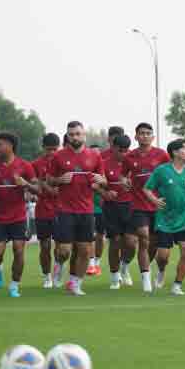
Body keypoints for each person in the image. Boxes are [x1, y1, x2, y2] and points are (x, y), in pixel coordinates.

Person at [49, 121, 106, 296]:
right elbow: (49, 180)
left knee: (85, 250)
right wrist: (60, 180)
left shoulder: (94, 156)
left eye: (78, 134)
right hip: (65, 209)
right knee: (64, 250)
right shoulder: (58, 156)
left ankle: (75, 284)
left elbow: (103, 180)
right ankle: (59, 264)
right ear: (67, 136)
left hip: (86, 210)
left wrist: (101, 180)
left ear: (84, 135)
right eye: (71, 134)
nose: (75, 137)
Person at [144, 139, 185, 296]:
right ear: (175, 152)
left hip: (184, 219)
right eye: (184, 149)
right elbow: (147, 189)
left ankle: (177, 285)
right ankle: (161, 270)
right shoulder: (161, 170)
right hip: (164, 219)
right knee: (163, 256)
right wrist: (154, 200)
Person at [0, 132, 36, 297]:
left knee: (19, 250)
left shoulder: (25, 166)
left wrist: (25, 184)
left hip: (18, 217)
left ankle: (14, 285)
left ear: (10, 146)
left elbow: (38, 189)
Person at [123, 123, 170, 292]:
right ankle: (146, 281)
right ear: (136, 136)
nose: (145, 136)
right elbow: (123, 175)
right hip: (138, 204)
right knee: (143, 237)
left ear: (153, 137)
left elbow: (170, 172)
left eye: (148, 133)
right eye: (141, 133)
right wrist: (124, 180)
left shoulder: (162, 155)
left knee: (155, 245)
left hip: (159, 205)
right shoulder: (129, 157)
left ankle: (159, 271)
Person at [102, 134, 136, 289]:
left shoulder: (133, 163)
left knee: (131, 242)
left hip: (131, 206)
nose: (123, 154)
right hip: (112, 207)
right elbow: (95, 185)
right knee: (115, 241)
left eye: (126, 150)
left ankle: (125, 266)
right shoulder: (104, 163)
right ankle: (115, 277)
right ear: (113, 148)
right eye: (120, 150)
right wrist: (105, 193)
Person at [31, 133, 62, 288]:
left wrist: (44, 184)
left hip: (61, 210)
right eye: (49, 149)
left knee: (60, 247)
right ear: (43, 147)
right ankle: (47, 276)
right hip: (42, 210)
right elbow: (32, 186)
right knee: (45, 246)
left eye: (55, 149)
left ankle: (57, 272)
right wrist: (32, 193)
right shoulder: (35, 165)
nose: (52, 153)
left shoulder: (63, 163)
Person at [87, 144, 106, 276]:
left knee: (100, 236)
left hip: (101, 209)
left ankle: (97, 262)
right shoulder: (85, 169)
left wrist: (99, 187)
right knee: (90, 236)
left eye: (97, 153)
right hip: (87, 208)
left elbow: (108, 187)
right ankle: (91, 264)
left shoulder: (103, 170)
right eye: (92, 153)